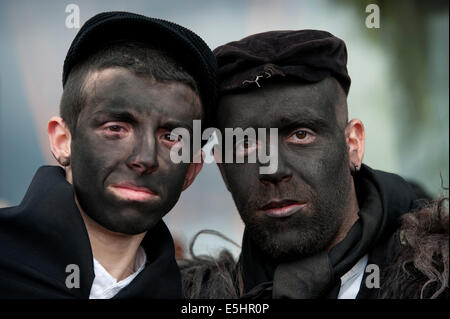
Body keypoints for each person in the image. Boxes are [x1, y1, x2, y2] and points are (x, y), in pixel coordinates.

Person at [180, 30, 448, 299]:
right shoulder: (192, 296)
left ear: (353, 144)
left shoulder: (436, 284)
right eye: (247, 145)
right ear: (224, 169)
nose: (273, 170)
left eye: (300, 135)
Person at [0, 11, 216, 298]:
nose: (145, 158)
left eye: (171, 138)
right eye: (116, 128)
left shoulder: (201, 297)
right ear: (63, 141)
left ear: (191, 169)